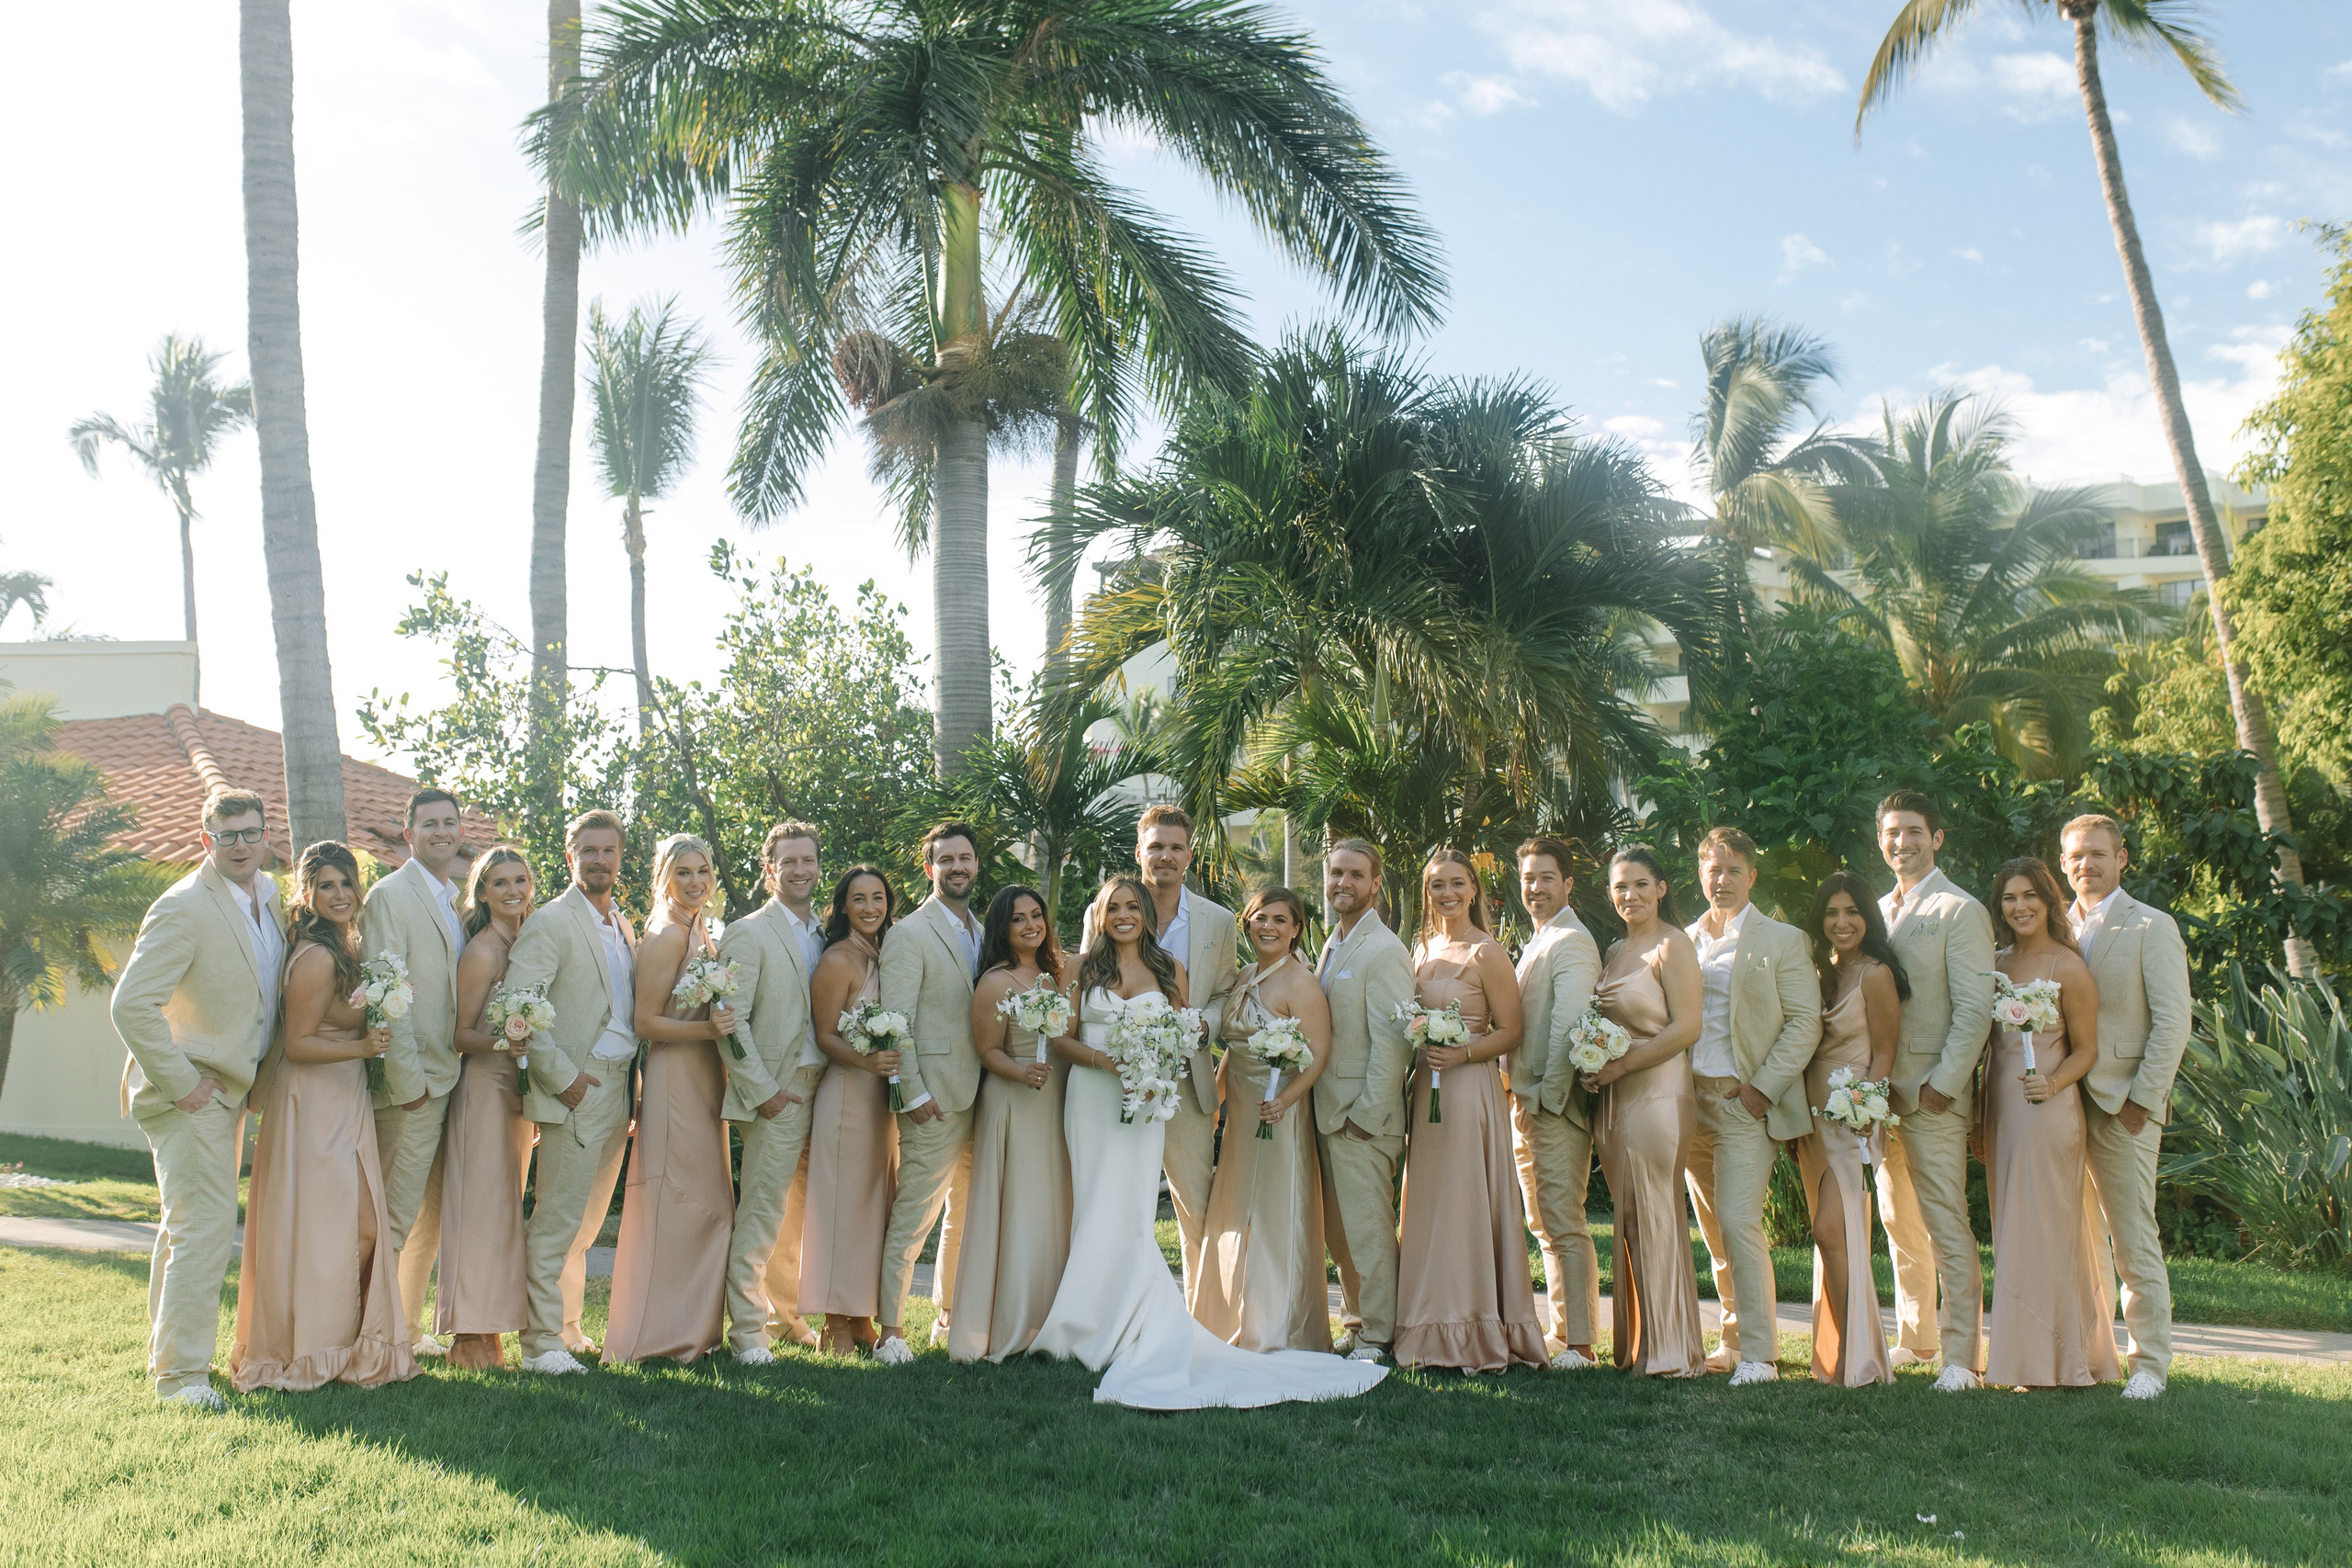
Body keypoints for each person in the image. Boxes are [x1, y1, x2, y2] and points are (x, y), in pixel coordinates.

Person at [1031, 878, 1386, 1408]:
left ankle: (1136, 1318)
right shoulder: (1078, 969)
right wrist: (1105, 1061)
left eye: (1134, 907)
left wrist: (1156, 1067)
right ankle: (1082, 1320)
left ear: (1147, 915)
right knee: (1091, 1204)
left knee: (1130, 1211)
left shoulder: (1170, 971)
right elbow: (1061, 1035)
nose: (1124, 916)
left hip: (1149, 1103)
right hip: (1090, 1098)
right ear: (1099, 915)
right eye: (1114, 908)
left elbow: (1185, 1032)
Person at [111, 786, 287, 1409]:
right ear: (206, 838)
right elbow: (131, 1003)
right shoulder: (184, 905)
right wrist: (184, 1084)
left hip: (233, 1089)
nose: (241, 843)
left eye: (251, 831)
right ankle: (182, 1376)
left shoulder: (269, 899)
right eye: (227, 833)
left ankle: (167, 1358)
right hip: (189, 1092)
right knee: (204, 1227)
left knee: (184, 1226)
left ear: (267, 835)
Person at [231, 840, 417, 1392]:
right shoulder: (314, 956)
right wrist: (363, 1049)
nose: (339, 894)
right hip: (310, 1100)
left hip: (343, 1096)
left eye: (346, 883)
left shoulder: (347, 947)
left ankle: (343, 1341)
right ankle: (307, 1348)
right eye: (326, 885)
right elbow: (299, 1043)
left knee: (352, 1223)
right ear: (306, 894)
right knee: (323, 1225)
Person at [1680, 827, 1822, 1386]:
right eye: (1713, 869)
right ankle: (1733, 1340)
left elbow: (1805, 1022)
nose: (1722, 879)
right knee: (1714, 1231)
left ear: (1752, 876)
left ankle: (1762, 1355)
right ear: (1699, 874)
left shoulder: (1781, 940)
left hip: (1744, 1102)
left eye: (1734, 870)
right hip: (1689, 1104)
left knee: (1740, 1223)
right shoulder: (1683, 940)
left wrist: (1761, 1089)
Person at [1080, 806, 1239, 1301]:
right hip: (1114, 1082)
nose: (1165, 856)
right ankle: (1111, 1308)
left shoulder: (1218, 920)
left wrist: (1198, 1025)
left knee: (1195, 1203)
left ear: (1189, 856)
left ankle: (1202, 1317)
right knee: (1112, 1197)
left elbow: (1226, 992)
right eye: (1156, 847)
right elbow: (1088, 985)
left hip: (1188, 1084)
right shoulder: (1102, 911)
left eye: (1175, 847)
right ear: (1139, 852)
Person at [1395, 851, 1544, 1372]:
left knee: (1463, 1202)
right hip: (1426, 1090)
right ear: (1427, 892)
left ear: (1475, 889)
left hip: (1467, 1090)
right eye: (1437, 885)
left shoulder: (1486, 953)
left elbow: (1511, 1031)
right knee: (1432, 1203)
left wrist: (1461, 1053)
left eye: (1457, 884)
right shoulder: (1423, 948)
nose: (1447, 894)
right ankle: (1424, 1320)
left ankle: (1470, 1326)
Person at [2061, 814, 2190, 1402]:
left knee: (2131, 1238)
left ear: (2122, 858)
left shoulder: (2151, 926)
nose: (2085, 865)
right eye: (2074, 856)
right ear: (2062, 864)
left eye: (2096, 854)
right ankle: (2090, 1354)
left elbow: (2172, 1023)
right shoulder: (2054, 926)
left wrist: (2142, 1100)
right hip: (2060, 1106)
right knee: (2075, 1240)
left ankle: (2150, 1366)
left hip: (2121, 1106)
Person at [505, 809, 639, 1375]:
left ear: (620, 857)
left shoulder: (622, 925)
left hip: (619, 1087)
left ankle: (567, 1328)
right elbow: (518, 1008)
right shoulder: (551, 922)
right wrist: (567, 1082)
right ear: (570, 856)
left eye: (608, 850)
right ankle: (540, 1345)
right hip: (577, 1087)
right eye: (589, 850)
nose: (599, 860)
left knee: (586, 1224)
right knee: (557, 1218)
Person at [1874, 790, 1997, 1392]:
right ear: (1880, 839)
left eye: (1914, 831)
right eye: (1893, 832)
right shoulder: (1876, 910)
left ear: (1937, 837)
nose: (1903, 842)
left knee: (1947, 1223)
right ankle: (1917, 1338)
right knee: (1898, 1221)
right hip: (1880, 1099)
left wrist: (1944, 1086)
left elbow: (1975, 1009)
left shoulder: (1960, 909)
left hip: (1933, 1097)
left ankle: (1960, 1358)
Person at [1982, 857, 2119, 1390]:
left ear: (2048, 901)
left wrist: (2054, 1084)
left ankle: (2050, 1364)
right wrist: (1978, 1115)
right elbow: (1988, 1050)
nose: (2019, 907)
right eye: (2010, 899)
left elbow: (2087, 1050)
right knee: (2012, 1231)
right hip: (2002, 1112)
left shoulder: (2068, 967)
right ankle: (2040, 1355)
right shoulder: (1997, 963)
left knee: (2042, 1235)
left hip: (2047, 1111)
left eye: (2029, 897)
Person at [603, 834, 738, 1366]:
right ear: (664, 877)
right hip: (676, 1077)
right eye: (684, 872)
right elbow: (645, 1023)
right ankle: (659, 1337)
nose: (697, 881)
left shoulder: (697, 928)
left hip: (704, 1076)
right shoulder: (663, 935)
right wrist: (711, 1032)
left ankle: (696, 1333)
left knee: (708, 1207)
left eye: (703, 870)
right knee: (680, 1204)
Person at [1193, 886, 1334, 1353]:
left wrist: (1286, 1101)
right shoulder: (1245, 975)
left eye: (1279, 920)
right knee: (1234, 1209)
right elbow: (1235, 1048)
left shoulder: (1301, 983)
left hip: (1279, 1114)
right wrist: (1214, 1097)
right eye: (1259, 918)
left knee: (1276, 1214)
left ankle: (1279, 1328)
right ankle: (1226, 1317)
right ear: (1247, 923)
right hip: (1239, 1115)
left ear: (1296, 929)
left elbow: (1316, 1056)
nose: (1268, 927)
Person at [1587, 845, 1705, 1378]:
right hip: (1614, 1097)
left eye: (1639, 884)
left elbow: (1686, 1029)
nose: (1629, 895)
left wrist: (1621, 1064)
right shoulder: (1613, 951)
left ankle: (1671, 1350)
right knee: (1629, 1217)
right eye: (1619, 887)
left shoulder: (1673, 945)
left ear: (1661, 888)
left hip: (1657, 1092)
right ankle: (1641, 1343)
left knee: (1655, 1210)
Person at [361, 787, 471, 1360]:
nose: (440, 832)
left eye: (449, 822)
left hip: (451, 1078)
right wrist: (406, 1087)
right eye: (428, 824)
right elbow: (386, 994)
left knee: (428, 1218)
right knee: (396, 1216)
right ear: (408, 834)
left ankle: (403, 1325)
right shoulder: (390, 897)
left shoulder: (455, 899)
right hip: (414, 1086)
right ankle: (374, 1340)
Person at [717, 823, 831, 1363]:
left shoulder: (824, 934)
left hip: (823, 1090)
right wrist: (762, 1091)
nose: (801, 870)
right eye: (789, 862)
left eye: (808, 860)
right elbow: (729, 1024)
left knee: (796, 1217)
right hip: (777, 1093)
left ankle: (784, 1320)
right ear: (770, 870)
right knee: (762, 1214)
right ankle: (746, 1334)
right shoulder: (748, 932)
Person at [873, 823, 987, 1364]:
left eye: (965, 858)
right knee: (914, 1215)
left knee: (964, 1215)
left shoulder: (983, 933)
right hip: (932, 1099)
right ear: (929, 868)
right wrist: (910, 1093)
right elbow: (895, 1022)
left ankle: (947, 1317)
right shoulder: (909, 933)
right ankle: (891, 1332)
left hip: (982, 1097)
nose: (958, 867)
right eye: (947, 860)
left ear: (976, 865)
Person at [950, 886, 1075, 1362]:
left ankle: (1050, 1316)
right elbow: (988, 1051)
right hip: (1013, 1099)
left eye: (1037, 915)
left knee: (1051, 1204)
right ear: (1003, 927)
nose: (1030, 925)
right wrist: (1022, 1071)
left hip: (1054, 1100)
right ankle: (1006, 1323)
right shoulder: (996, 982)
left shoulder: (1055, 974)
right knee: (1017, 1205)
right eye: (1018, 918)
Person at [1312, 839, 1417, 1366]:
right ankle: (1357, 1324)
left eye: (1355, 875)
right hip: (1324, 1113)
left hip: (1361, 1118)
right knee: (1340, 1231)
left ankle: (1380, 1336)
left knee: (1369, 1229)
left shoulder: (1385, 950)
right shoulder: (1332, 943)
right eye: (1336, 874)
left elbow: (1394, 1041)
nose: (1343, 884)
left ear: (1376, 884)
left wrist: (1365, 1116)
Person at [1799, 871, 1904, 1388]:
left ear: (1869, 917)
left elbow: (1885, 1050)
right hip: (1812, 1118)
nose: (1842, 923)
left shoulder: (1876, 973)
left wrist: (1866, 1110)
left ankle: (1858, 1359)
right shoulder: (1822, 969)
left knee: (1829, 1229)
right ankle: (1839, 1353)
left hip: (1851, 1116)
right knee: (1830, 1236)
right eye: (1832, 913)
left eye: (1852, 912)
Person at [437, 845, 537, 1370]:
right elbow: (461, 1035)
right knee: (478, 1213)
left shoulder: (528, 942)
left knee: (503, 1213)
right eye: (500, 883)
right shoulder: (481, 951)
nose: (513, 890)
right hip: (482, 1090)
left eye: (520, 879)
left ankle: (491, 1330)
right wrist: (506, 1043)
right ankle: (468, 1339)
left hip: (515, 1095)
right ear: (482, 892)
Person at [1509, 836, 1604, 1370]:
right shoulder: (1539, 940)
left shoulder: (1572, 941)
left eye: (1546, 877)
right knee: (1542, 1221)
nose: (1535, 888)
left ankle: (1583, 1344)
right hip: (1525, 1102)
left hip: (1553, 1105)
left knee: (1564, 1220)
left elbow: (1569, 1026)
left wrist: (1544, 1100)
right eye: (1528, 878)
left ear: (1568, 884)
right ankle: (1562, 1330)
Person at [801, 866, 902, 1354]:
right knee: (841, 1209)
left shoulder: (886, 952)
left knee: (870, 1209)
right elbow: (824, 1036)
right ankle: (834, 1323)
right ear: (843, 906)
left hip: (880, 1100)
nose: (869, 907)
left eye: (878, 898)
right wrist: (867, 1059)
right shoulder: (839, 959)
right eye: (859, 899)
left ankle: (860, 1315)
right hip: (846, 1096)